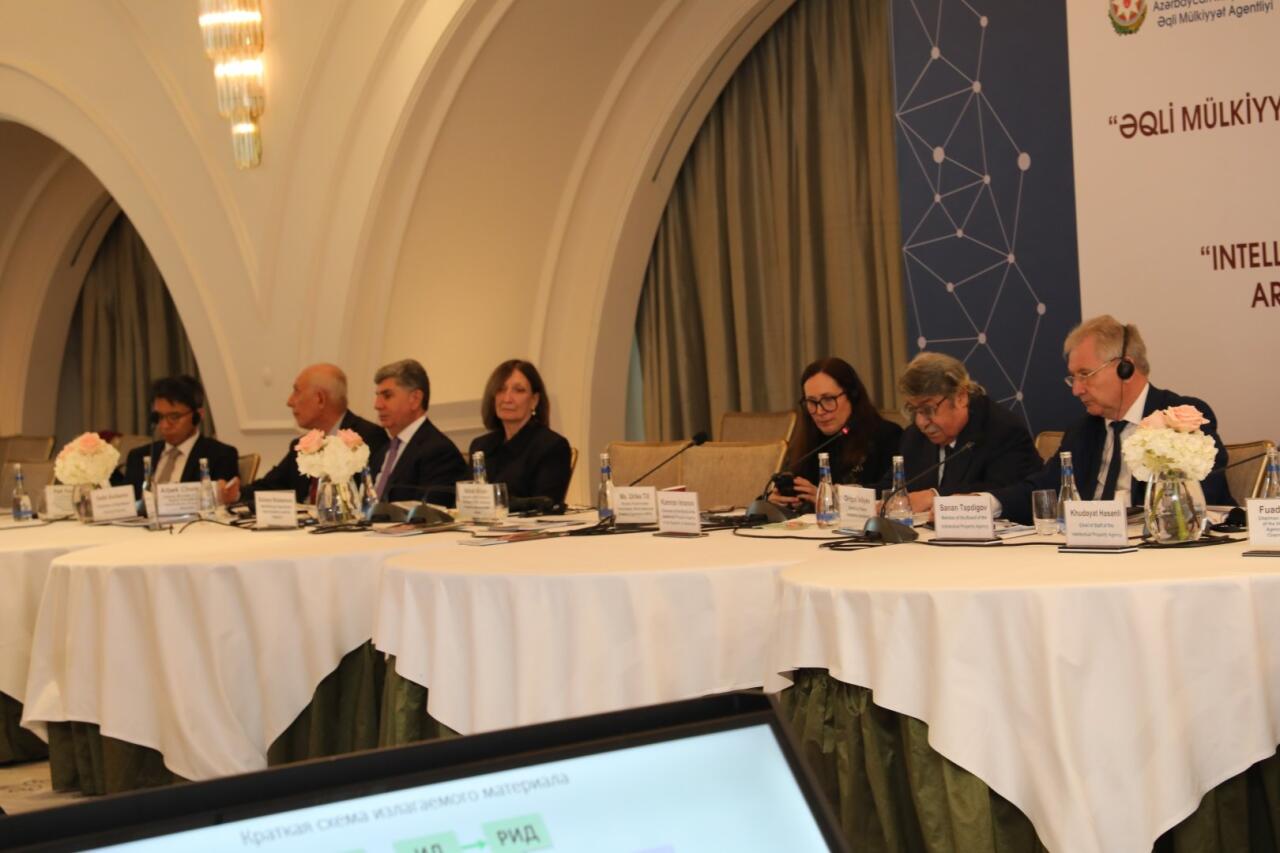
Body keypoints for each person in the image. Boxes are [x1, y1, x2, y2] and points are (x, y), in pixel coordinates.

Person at [991, 315, 1234, 522]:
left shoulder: (1180, 417)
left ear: (1125, 369)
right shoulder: (1082, 430)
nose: (1076, 390)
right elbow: (1044, 488)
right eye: (1073, 378)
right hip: (1090, 545)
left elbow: (1204, 493)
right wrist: (989, 503)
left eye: (1085, 374)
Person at [888, 352, 1042, 513]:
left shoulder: (1003, 430)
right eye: (914, 410)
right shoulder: (914, 436)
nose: (921, 422)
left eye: (928, 409)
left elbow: (1004, 493)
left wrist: (935, 496)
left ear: (960, 397)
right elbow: (892, 485)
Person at [220, 363, 387, 505]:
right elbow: (271, 486)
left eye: (296, 391)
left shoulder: (367, 438)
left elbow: (367, 498)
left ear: (320, 399)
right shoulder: (301, 444)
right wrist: (236, 494)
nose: (289, 402)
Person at [769, 356, 902, 513]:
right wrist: (776, 499)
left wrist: (829, 497)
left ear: (852, 395)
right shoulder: (807, 440)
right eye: (811, 402)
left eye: (828, 399)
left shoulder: (887, 435)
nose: (820, 411)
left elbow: (891, 493)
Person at [117, 375, 239, 499]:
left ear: (198, 415)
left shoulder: (220, 455)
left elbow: (225, 501)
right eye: (159, 417)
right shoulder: (138, 456)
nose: (164, 425)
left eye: (174, 417)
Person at [467, 360, 572, 503]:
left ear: (534, 400)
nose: (507, 399)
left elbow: (546, 504)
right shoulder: (480, 446)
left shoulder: (552, 446)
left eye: (519, 390)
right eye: (501, 389)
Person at [369, 358, 468, 507]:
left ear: (415, 399)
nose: (377, 405)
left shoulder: (439, 452)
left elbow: (429, 512)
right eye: (377, 396)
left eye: (387, 396)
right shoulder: (383, 451)